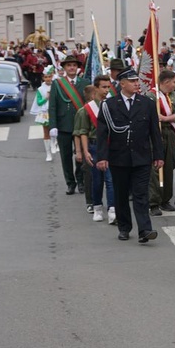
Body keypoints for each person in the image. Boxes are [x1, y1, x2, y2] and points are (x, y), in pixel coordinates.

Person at [96, 68, 164, 242]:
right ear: (122, 83)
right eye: (132, 81)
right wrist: (102, 157)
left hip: (142, 157)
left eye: (137, 81)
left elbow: (154, 132)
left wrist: (158, 155)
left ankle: (145, 230)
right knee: (121, 194)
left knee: (141, 194)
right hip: (119, 157)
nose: (136, 84)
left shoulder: (147, 103)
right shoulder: (109, 105)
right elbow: (102, 134)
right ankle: (124, 227)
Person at [75, 76, 116, 224]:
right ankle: (97, 206)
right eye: (103, 87)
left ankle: (112, 209)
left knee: (111, 179)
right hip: (94, 146)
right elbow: (83, 132)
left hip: (110, 145)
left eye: (108, 87)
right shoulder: (87, 109)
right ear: (96, 89)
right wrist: (84, 151)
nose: (106, 90)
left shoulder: (112, 105)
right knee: (97, 180)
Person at [49, 55, 90, 195]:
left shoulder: (85, 83)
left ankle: (80, 181)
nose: (72, 67)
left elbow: (88, 105)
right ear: (64, 68)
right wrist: (53, 125)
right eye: (69, 65)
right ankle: (70, 183)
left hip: (81, 126)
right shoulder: (57, 84)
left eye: (74, 65)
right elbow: (52, 106)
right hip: (63, 125)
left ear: (78, 68)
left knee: (81, 156)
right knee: (65, 157)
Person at [147, 69, 175, 216]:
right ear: (165, 82)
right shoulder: (152, 96)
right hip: (155, 134)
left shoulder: (170, 96)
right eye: (173, 82)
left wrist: (166, 118)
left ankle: (165, 198)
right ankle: (153, 202)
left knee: (168, 166)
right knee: (155, 168)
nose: (174, 85)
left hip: (169, 133)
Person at [73, 86, 95, 214]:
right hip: (87, 146)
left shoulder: (102, 108)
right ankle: (90, 202)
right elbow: (77, 133)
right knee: (89, 175)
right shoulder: (83, 111)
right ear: (92, 96)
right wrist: (79, 151)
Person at [30, 65, 56, 161]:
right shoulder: (41, 89)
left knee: (55, 131)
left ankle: (54, 143)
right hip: (45, 112)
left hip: (55, 111)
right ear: (43, 78)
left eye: (49, 76)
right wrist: (46, 98)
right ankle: (48, 153)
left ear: (52, 76)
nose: (48, 79)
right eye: (46, 77)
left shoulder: (56, 86)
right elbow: (39, 102)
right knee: (46, 133)